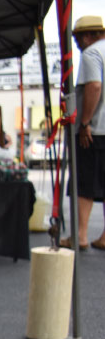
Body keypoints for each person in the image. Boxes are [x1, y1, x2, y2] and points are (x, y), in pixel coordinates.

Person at [61, 15, 105, 251]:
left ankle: (81, 235)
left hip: (96, 130)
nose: (77, 44)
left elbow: (94, 86)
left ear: (88, 36)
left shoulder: (92, 54)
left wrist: (85, 122)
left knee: (84, 181)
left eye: (78, 39)